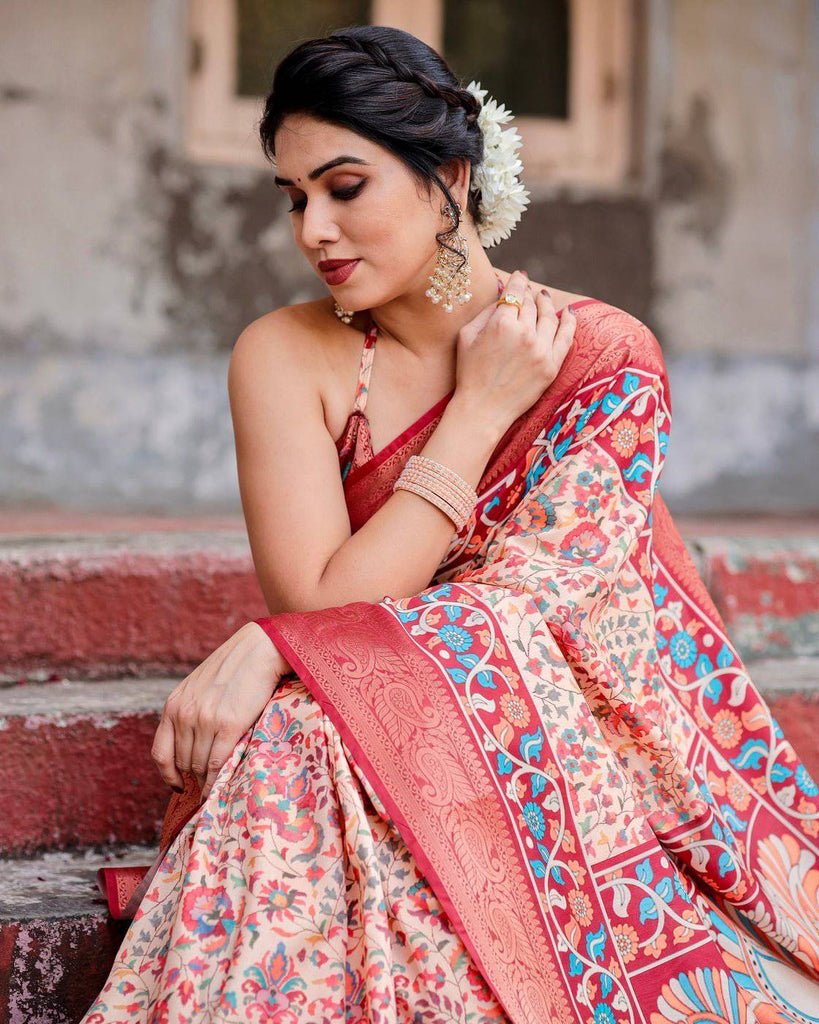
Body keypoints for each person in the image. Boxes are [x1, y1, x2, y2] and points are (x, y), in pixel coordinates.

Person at [82, 25, 819, 1024]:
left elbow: (532, 616)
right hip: (374, 710)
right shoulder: (284, 354)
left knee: (312, 715)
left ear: (451, 180)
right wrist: (474, 419)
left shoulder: (601, 358)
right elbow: (317, 604)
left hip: (562, 733)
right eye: (294, 198)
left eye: (345, 188)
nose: (313, 231)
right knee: (320, 719)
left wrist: (272, 646)